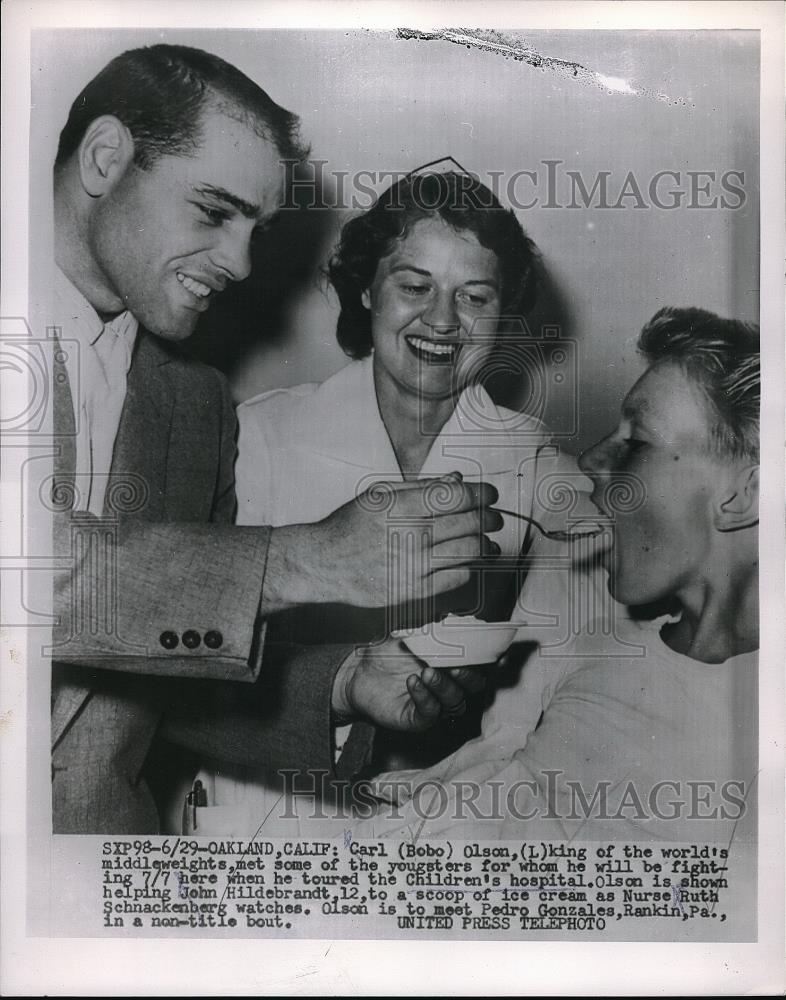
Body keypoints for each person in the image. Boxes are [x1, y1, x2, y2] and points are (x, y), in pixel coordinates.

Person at [47, 44, 496, 834]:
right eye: (214, 211)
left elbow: (152, 669)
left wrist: (342, 682)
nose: (243, 262)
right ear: (105, 158)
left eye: (258, 227)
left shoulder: (195, 403)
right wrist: (305, 557)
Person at [188, 168, 603, 833]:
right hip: (262, 811)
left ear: (503, 315)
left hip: (437, 821)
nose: (442, 321)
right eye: (414, 286)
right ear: (365, 288)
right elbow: (191, 664)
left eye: (475, 297)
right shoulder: (261, 435)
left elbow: (568, 665)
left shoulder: (533, 463)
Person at [326, 306, 758, 844]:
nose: (593, 461)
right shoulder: (604, 644)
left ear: (744, 496)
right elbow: (506, 784)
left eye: (637, 442)